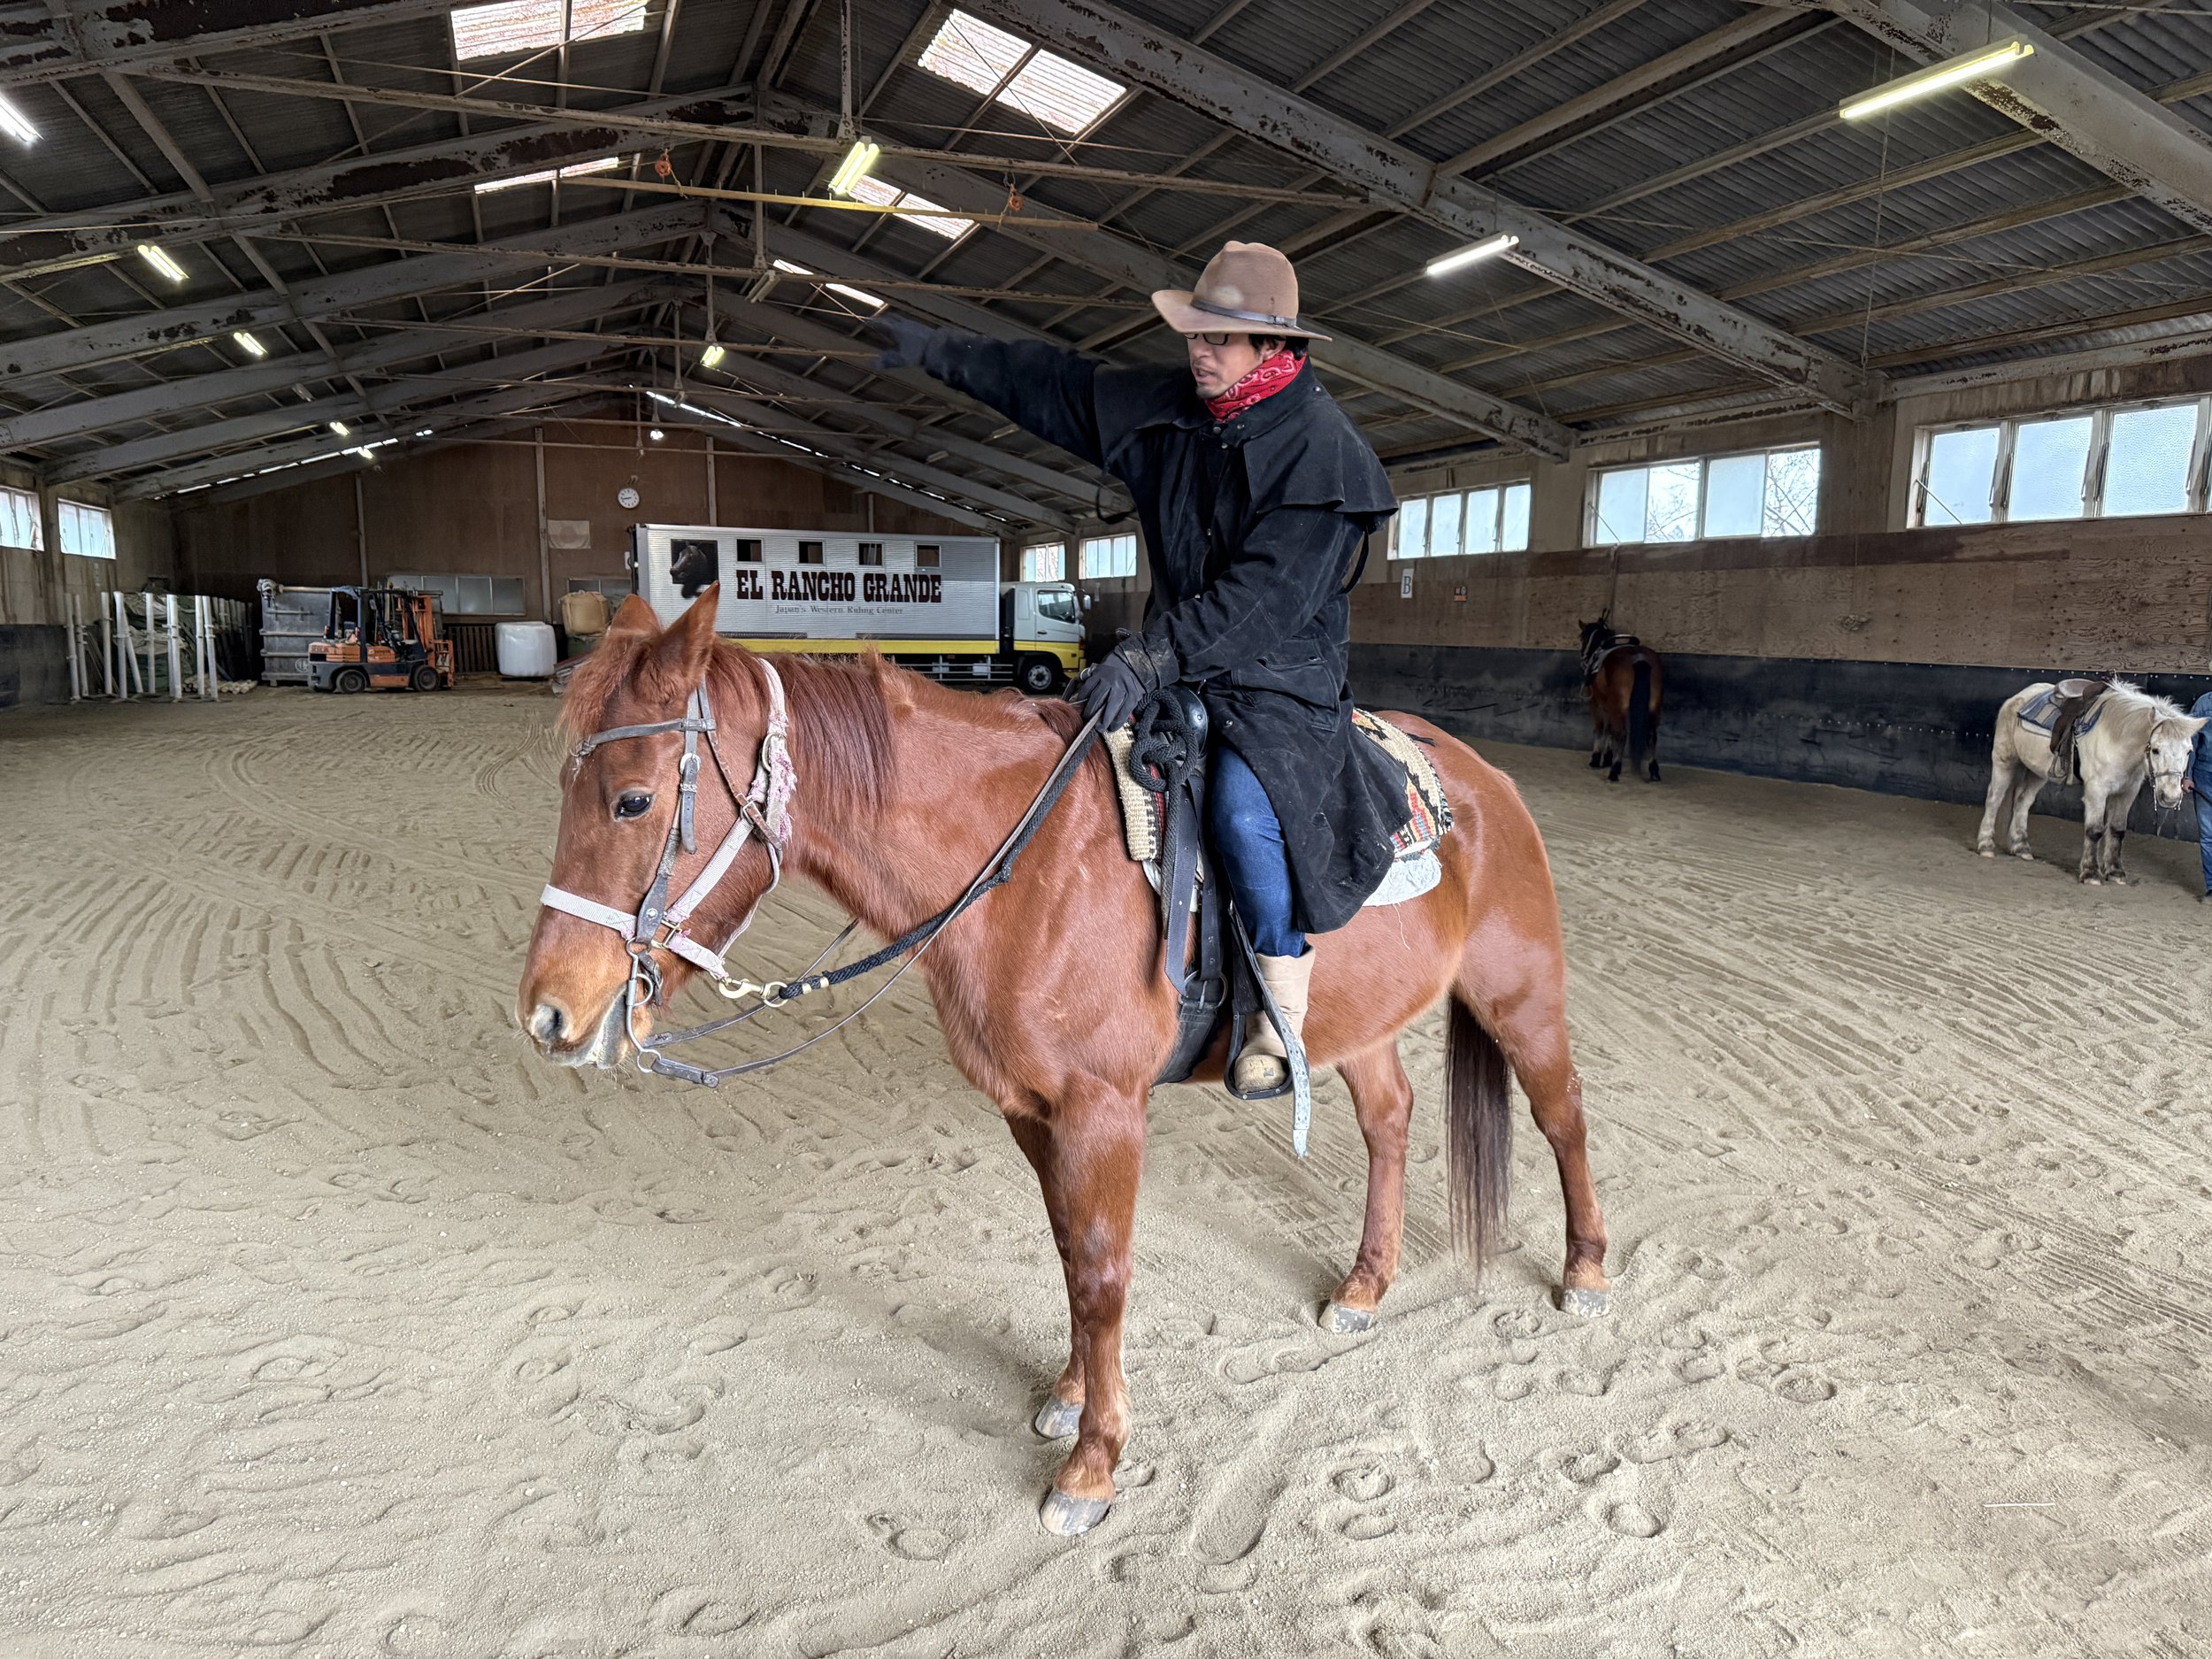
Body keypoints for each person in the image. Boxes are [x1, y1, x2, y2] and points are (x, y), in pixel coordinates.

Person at [873, 242, 1402, 1090]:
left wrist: (1155, 654)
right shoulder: (1182, 410)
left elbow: (1266, 600)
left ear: (1273, 347)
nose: (1197, 350)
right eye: (1194, 334)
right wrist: (943, 353)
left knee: (1240, 812)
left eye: (1217, 339)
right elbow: (1061, 388)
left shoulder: (1325, 457)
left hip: (1277, 685)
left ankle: (1281, 1009)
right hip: (1180, 667)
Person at [2193, 689, 2212, 901]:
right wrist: (2187, 776)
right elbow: (2192, 742)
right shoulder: (2202, 704)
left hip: (2205, 772)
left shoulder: (2204, 703)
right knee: (2208, 835)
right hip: (2205, 774)